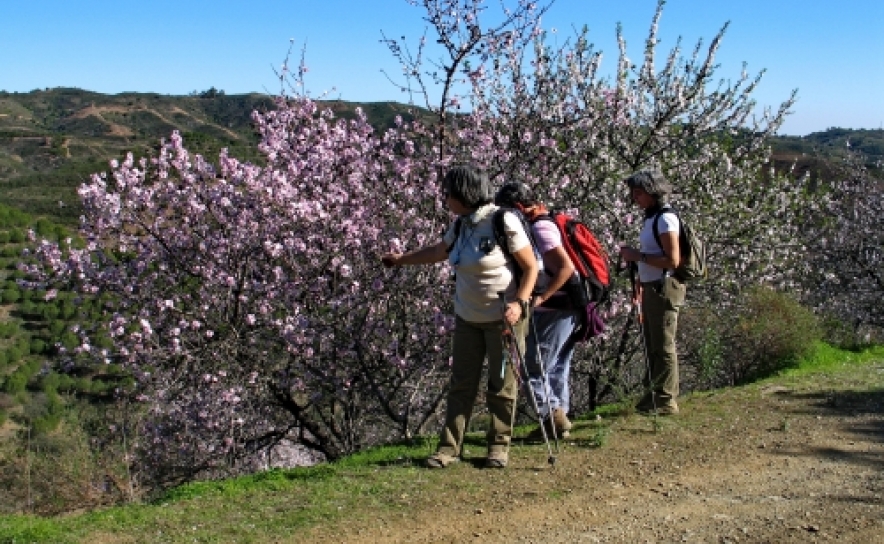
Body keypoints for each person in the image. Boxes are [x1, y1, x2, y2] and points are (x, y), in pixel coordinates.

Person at [381, 165, 539, 469]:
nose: (445, 199)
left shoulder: (502, 221)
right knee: (461, 384)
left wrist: (519, 303)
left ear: (465, 194)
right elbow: (440, 250)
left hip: (503, 317)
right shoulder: (461, 225)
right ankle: (448, 448)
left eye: (449, 193)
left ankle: (498, 447)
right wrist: (401, 260)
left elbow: (531, 267)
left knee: (502, 384)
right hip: (468, 316)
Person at [494, 181, 579, 439]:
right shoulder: (546, 222)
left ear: (518, 207)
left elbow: (565, 268)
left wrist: (541, 297)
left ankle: (552, 415)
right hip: (569, 306)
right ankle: (556, 423)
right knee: (555, 367)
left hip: (558, 307)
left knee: (533, 366)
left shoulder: (541, 228)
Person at [618, 170, 686, 416]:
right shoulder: (652, 219)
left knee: (663, 343)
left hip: (663, 286)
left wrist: (638, 256)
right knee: (652, 342)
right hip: (651, 286)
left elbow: (672, 260)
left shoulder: (666, 220)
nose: (635, 198)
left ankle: (666, 398)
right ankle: (654, 394)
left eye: (639, 193)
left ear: (652, 192)